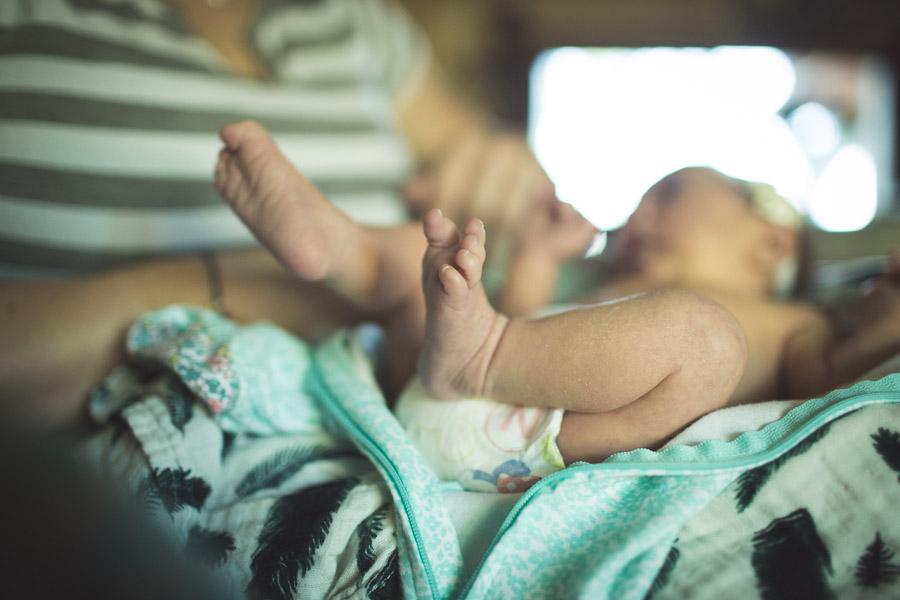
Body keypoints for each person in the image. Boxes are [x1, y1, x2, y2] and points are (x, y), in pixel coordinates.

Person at [213, 120, 900, 485]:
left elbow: (833, 390)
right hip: (448, 385)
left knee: (707, 341)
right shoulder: (616, 292)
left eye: (665, 200)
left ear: (771, 242)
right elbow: (530, 327)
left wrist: (883, 322)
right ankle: (340, 251)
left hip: (536, 443)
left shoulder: (796, 323)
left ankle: (476, 357)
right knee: (439, 261)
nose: (637, 221)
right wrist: (536, 263)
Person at [0, 0, 552, 431]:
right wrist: (238, 287)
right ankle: (354, 258)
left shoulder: (354, 23)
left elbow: (499, 177)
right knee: (416, 260)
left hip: (393, 387)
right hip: (159, 450)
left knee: (439, 267)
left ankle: (357, 258)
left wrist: (521, 198)